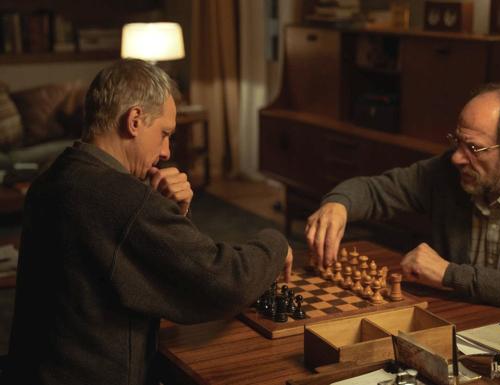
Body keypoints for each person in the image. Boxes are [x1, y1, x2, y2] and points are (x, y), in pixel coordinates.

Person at [2, 59, 292, 385]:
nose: (167, 151)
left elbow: (135, 264)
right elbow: (223, 283)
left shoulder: (50, 179)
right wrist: (275, 243)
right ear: (135, 120)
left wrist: (166, 212)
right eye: (165, 133)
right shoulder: (125, 200)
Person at [305, 83, 500, 327]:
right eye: (457, 141)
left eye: (473, 147)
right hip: (482, 327)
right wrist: (339, 204)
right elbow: (377, 191)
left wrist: (447, 274)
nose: (458, 157)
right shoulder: (449, 170)